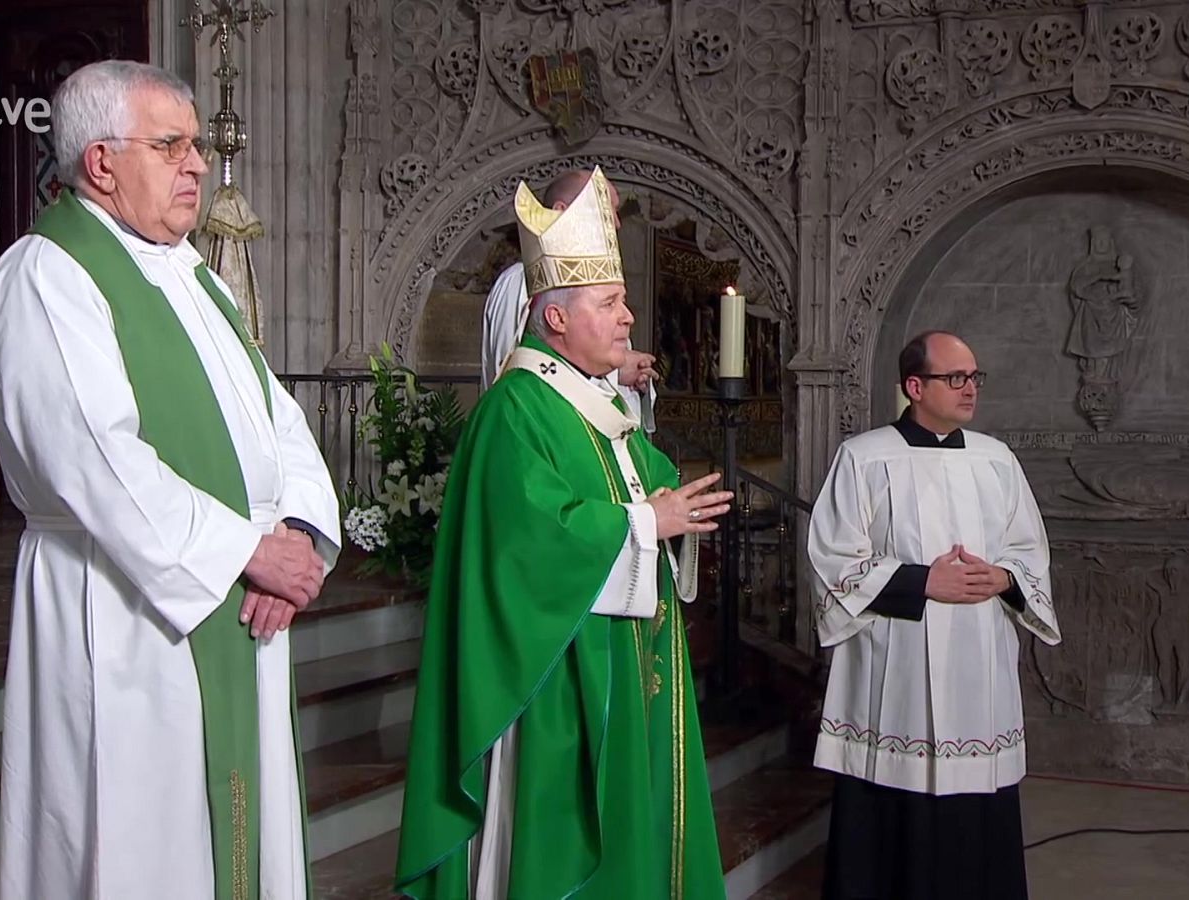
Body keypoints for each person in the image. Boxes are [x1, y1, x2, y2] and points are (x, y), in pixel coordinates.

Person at [0, 60, 341, 899]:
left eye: (198, 145)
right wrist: (247, 550)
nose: (199, 165)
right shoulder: (46, 277)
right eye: (172, 145)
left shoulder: (196, 277)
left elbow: (277, 418)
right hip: (123, 611)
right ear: (101, 162)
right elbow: (93, 458)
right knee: (133, 841)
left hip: (238, 598)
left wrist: (300, 541)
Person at [395, 166, 732, 899]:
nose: (628, 317)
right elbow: (531, 543)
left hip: (615, 656)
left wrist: (672, 510)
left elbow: (641, 486)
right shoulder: (517, 409)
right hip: (552, 673)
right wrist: (651, 521)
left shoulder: (589, 406)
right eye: (610, 303)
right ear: (555, 318)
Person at [806, 330, 1061, 900]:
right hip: (893, 665)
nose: (970, 388)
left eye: (974, 377)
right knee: (892, 805)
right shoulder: (864, 457)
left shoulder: (997, 460)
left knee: (978, 808)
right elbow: (833, 556)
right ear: (914, 387)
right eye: (956, 378)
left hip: (978, 659)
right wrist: (925, 582)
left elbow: (1028, 548)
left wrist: (1005, 578)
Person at [481, 168, 659, 431]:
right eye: (606, 208)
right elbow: (511, 368)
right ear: (562, 211)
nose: (618, 224)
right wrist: (614, 372)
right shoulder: (523, 281)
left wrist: (629, 379)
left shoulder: (596, 286)